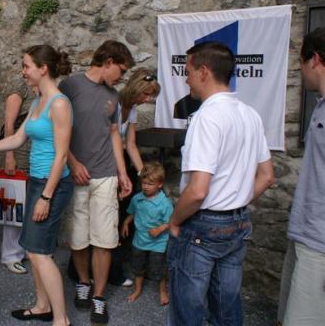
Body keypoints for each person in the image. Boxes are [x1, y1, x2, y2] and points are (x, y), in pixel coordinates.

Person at [167, 41, 275, 326]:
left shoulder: (206, 117)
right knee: (226, 308)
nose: (186, 79)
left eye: (188, 72)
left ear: (204, 71)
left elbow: (198, 190)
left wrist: (174, 221)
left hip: (203, 226)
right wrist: (234, 203)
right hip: (238, 222)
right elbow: (267, 176)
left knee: (187, 311)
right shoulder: (250, 114)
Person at [0, 44, 73, 326]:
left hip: (52, 185)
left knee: (39, 252)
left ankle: (61, 320)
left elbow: (61, 155)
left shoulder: (59, 104)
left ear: (43, 68)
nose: (23, 71)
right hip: (37, 180)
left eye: (26, 66)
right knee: (32, 249)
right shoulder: (38, 100)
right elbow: (17, 139)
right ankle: (42, 306)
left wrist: (45, 198)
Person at [58, 40, 134, 325]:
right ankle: (83, 281)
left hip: (106, 176)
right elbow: (57, 128)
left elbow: (114, 133)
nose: (122, 77)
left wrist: (122, 173)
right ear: (108, 61)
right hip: (76, 175)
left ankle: (99, 297)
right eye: (121, 70)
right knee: (78, 238)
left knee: (105, 239)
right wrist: (72, 162)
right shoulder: (70, 86)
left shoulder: (114, 96)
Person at [277, 27, 325, 325]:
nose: (299, 69)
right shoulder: (320, 106)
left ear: (315, 59)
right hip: (306, 231)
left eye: (300, 61)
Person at [108, 68, 162, 288]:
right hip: (105, 165)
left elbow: (130, 145)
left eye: (151, 96)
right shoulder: (114, 104)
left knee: (123, 217)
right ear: (135, 89)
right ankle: (106, 271)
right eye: (146, 94)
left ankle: (114, 268)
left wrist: (143, 175)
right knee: (109, 220)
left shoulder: (131, 110)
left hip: (121, 164)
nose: (148, 100)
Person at [120, 162, 172, 305]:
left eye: (150, 184)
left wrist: (159, 229)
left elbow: (170, 221)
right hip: (140, 240)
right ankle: (137, 289)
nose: (145, 186)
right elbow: (133, 212)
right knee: (138, 266)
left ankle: (162, 291)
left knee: (158, 267)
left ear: (160, 184)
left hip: (158, 243)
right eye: (143, 183)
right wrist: (126, 222)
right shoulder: (137, 198)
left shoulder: (165, 203)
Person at [0, 76, 35, 274]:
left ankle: (26, 247)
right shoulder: (20, 86)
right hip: (18, 154)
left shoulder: (42, 88)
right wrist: (9, 156)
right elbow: (9, 124)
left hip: (35, 154)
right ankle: (11, 255)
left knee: (30, 205)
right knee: (14, 206)